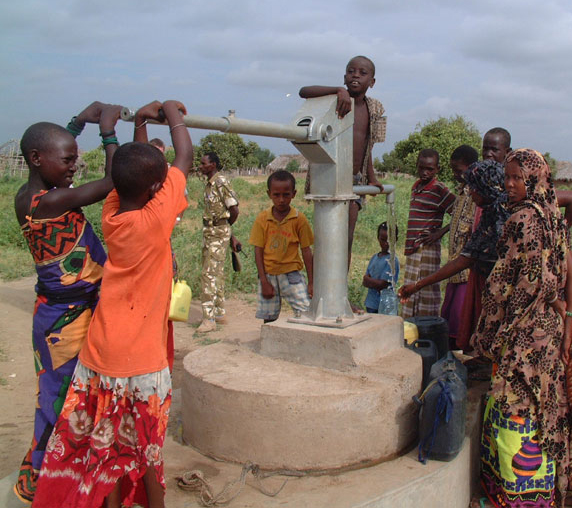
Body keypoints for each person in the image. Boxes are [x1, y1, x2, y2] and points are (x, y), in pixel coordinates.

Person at [32, 100, 193, 508]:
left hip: (100, 354)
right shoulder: (157, 222)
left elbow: (141, 170)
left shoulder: (112, 215)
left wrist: (140, 122)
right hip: (142, 362)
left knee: (108, 444)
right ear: (158, 190)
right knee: (146, 449)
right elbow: (185, 156)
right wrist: (173, 113)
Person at [12, 102, 121, 503]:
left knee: (74, 398)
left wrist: (79, 120)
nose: (75, 165)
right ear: (38, 159)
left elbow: (53, 145)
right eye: (69, 159)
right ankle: (43, 480)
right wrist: (108, 133)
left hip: (70, 313)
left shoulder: (39, 192)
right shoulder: (47, 203)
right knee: (59, 400)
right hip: (64, 322)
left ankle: (66, 474)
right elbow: (113, 181)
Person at [472, 149, 571, 507]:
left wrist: (487, 335)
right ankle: (539, 495)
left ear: (533, 180)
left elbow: (503, 284)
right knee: (542, 409)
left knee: (514, 412)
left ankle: (510, 496)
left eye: (517, 178)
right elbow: (560, 272)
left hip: (520, 336)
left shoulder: (522, 220)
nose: (509, 184)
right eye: (508, 177)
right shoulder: (553, 216)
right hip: (547, 333)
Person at [399, 160, 510, 350]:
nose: (470, 193)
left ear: (484, 188)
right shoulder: (490, 214)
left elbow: (463, 261)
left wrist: (418, 285)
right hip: (490, 283)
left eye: (473, 188)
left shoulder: (507, 213)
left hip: (508, 288)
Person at [299, 55, 385, 269]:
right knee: (327, 237)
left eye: (362, 73)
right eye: (351, 71)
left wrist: (372, 179)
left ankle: (340, 295)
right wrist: (338, 90)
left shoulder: (373, 109)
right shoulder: (335, 99)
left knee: (346, 239)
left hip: (354, 179)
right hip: (328, 175)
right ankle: (320, 290)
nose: (355, 75)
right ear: (344, 77)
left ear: (372, 82)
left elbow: (368, 146)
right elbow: (304, 91)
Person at [249, 170, 313, 323]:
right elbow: (258, 250)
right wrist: (263, 281)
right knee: (269, 317)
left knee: (306, 312)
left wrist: (312, 282)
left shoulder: (299, 219)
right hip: (269, 275)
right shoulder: (263, 219)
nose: (281, 200)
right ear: (269, 194)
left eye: (286, 195)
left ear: (294, 194)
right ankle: (271, 345)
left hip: (291, 274)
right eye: (276, 195)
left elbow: (306, 250)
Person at [400, 149, 456, 318]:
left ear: (437, 169)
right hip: (413, 247)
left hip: (427, 248)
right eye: (422, 168)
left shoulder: (439, 189)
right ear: (417, 166)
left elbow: (459, 214)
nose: (425, 172)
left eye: (430, 169)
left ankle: (426, 326)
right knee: (411, 289)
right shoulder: (416, 186)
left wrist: (440, 232)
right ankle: (409, 326)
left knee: (426, 290)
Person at [196, 151, 240, 333]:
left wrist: (224, 228)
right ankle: (219, 312)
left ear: (213, 165)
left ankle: (209, 318)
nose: (200, 166)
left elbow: (234, 209)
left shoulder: (220, 181)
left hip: (218, 232)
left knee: (209, 274)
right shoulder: (210, 183)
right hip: (211, 232)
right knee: (217, 272)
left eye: (204, 163)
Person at [440, 145, 479, 345]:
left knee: (459, 320)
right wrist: (443, 230)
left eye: (459, 170)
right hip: (453, 268)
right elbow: (457, 220)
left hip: (465, 270)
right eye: (453, 170)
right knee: (446, 321)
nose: (456, 175)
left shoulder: (476, 196)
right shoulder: (462, 193)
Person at [362, 222, 399, 313]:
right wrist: (369, 281)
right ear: (378, 238)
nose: (386, 243)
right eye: (383, 240)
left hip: (385, 306)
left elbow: (382, 285)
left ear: (396, 240)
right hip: (371, 303)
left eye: (389, 240)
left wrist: (368, 280)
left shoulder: (392, 260)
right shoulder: (374, 258)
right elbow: (364, 282)